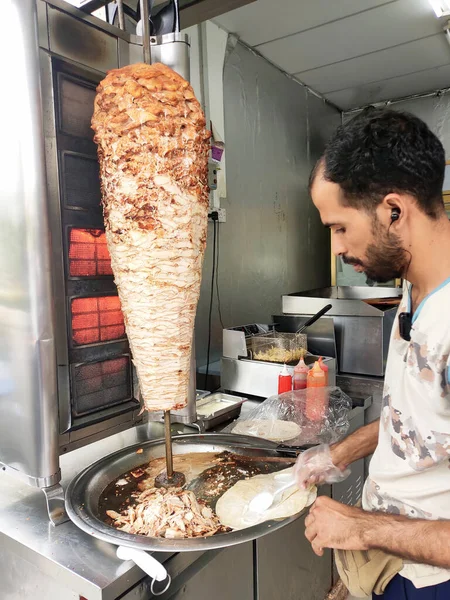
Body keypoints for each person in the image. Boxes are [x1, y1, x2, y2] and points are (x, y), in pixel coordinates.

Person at [295, 107, 450, 599]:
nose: (337, 247)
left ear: (393, 211)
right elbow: (419, 425)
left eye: (340, 227)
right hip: (396, 565)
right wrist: (338, 454)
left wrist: (362, 528)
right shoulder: (415, 288)